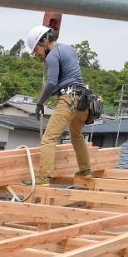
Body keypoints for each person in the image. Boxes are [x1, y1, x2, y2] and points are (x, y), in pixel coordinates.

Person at [23, 23, 93, 185]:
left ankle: (44, 176)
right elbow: (69, 77)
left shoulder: (52, 55)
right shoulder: (69, 49)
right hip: (84, 101)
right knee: (76, 135)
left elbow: (52, 82)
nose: (38, 55)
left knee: (49, 138)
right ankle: (86, 170)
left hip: (69, 98)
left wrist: (40, 102)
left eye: (36, 50)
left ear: (44, 41)